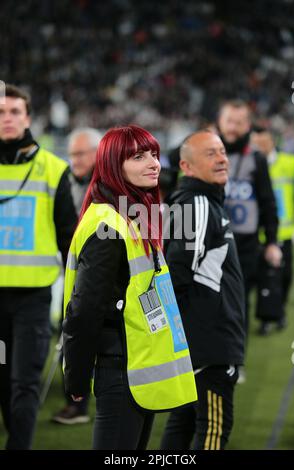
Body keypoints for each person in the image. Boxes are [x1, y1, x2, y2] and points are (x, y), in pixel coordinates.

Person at [62, 124, 197, 450]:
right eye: (138, 156)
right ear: (112, 165)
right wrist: (77, 376)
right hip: (120, 371)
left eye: (153, 154)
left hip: (134, 369)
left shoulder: (130, 214)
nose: (153, 163)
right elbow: (84, 310)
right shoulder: (107, 224)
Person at [0, 84, 77, 449]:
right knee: (4, 382)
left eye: (15, 111)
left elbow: (69, 239)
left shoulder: (53, 169)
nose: (7, 118)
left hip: (32, 301)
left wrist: (78, 293)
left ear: (28, 118)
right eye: (1, 112)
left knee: (24, 383)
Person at [160, 129, 245, 450]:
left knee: (182, 424)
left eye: (222, 151)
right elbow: (175, 273)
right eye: (211, 153)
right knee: (213, 428)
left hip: (200, 342)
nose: (223, 158)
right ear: (187, 166)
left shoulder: (201, 201)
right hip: (209, 345)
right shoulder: (197, 203)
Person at [217, 100, 281, 337]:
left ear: (249, 126)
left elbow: (268, 202)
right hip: (210, 239)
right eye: (229, 121)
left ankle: (235, 358)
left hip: (244, 243)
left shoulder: (256, 158)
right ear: (219, 122)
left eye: (239, 122)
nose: (233, 128)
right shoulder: (206, 152)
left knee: (238, 298)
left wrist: (272, 241)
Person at [52, 127, 102, 425]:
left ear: (98, 153)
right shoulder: (67, 182)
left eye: (81, 153)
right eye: (71, 154)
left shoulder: (111, 187)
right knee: (71, 332)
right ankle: (76, 402)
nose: (75, 159)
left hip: (104, 276)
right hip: (74, 272)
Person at [251, 126, 294, 333]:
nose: (259, 145)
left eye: (263, 141)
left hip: (286, 230)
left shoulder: (290, 163)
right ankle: (266, 319)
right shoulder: (251, 165)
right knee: (266, 277)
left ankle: (278, 311)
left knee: (286, 275)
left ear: (272, 141)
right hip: (260, 232)